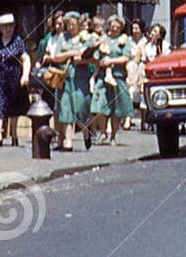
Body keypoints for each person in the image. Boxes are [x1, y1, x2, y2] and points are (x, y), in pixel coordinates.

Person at [0, 13, 30, 148]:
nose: (8, 29)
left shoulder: (18, 40)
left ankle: (14, 135)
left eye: (10, 26)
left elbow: (25, 59)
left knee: (13, 105)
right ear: (0, 28)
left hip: (14, 76)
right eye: (5, 26)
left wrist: (25, 75)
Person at [52, 11, 93, 153]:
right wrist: (71, 54)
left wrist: (82, 60)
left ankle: (86, 131)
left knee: (81, 108)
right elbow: (56, 56)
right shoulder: (62, 38)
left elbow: (95, 59)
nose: (70, 27)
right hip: (66, 77)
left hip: (81, 78)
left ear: (79, 25)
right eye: (68, 24)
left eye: (73, 24)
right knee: (66, 108)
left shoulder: (86, 38)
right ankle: (67, 141)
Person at [91, 14, 134, 144]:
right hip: (103, 78)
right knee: (99, 107)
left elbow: (126, 58)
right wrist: (100, 61)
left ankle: (113, 136)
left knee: (117, 109)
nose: (115, 27)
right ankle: (103, 132)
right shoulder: (104, 39)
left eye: (118, 25)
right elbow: (96, 55)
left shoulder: (125, 41)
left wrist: (112, 61)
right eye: (113, 25)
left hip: (118, 77)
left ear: (121, 27)